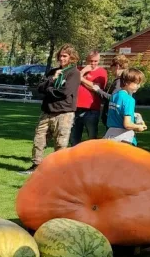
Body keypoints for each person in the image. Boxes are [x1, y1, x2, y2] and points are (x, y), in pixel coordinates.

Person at [23, 44, 81, 174]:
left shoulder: (74, 73)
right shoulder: (53, 72)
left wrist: (48, 90)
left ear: (72, 58)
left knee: (61, 142)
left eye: (65, 56)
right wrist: (52, 79)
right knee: (39, 138)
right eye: (60, 56)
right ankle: (36, 166)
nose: (61, 58)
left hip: (64, 113)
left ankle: (58, 170)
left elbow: (64, 92)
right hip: (47, 111)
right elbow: (39, 88)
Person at [70, 50, 108, 145]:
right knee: (74, 138)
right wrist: (83, 72)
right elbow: (72, 83)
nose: (93, 63)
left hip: (92, 109)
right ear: (86, 60)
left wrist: (81, 79)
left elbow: (96, 88)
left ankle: (92, 158)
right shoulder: (79, 69)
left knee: (92, 138)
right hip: (76, 108)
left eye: (95, 61)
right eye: (91, 61)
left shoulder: (101, 72)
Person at [102, 68, 147, 144]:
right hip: (124, 138)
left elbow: (118, 112)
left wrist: (135, 114)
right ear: (127, 82)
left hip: (110, 135)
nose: (139, 86)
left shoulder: (114, 96)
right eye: (137, 83)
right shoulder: (129, 100)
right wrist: (139, 127)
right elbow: (127, 124)